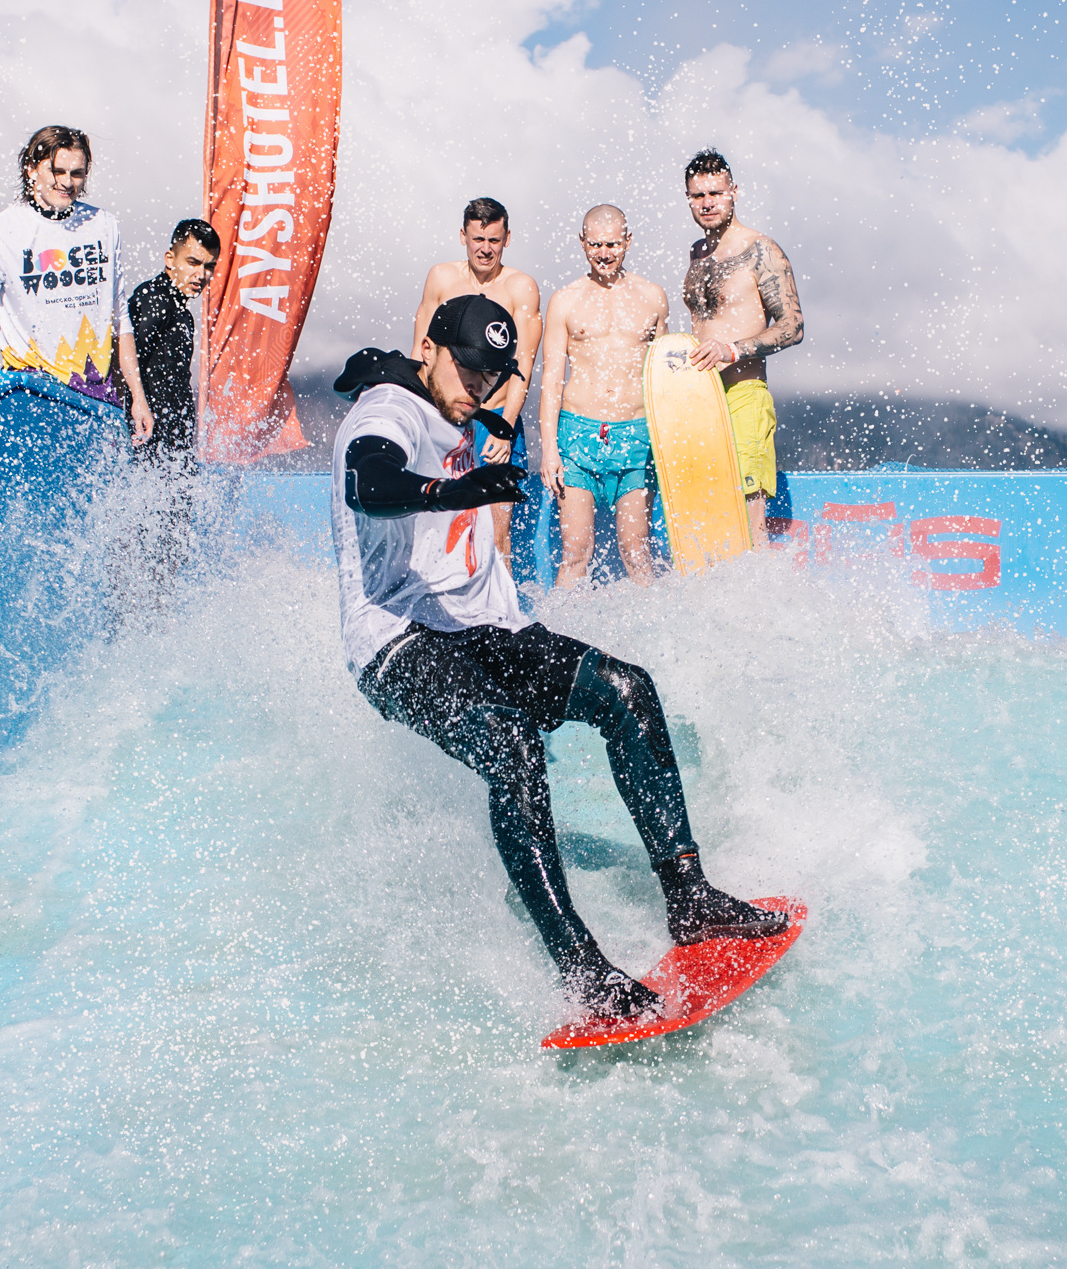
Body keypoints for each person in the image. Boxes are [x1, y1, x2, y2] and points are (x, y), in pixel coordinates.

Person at [332, 294, 787, 1019]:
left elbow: (449, 399)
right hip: (396, 641)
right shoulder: (384, 412)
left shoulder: (449, 397)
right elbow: (372, 483)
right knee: (511, 746)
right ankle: (581, 972)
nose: (479, 386)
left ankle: (689, 896)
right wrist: (459, 490)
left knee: (627, 690)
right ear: (431, 348)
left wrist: (474, 418)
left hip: (484, 623)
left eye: (491, 376)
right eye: (468, 369)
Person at [0, 125, 154, 444]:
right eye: (56, 170)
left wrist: (138, 396)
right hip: (31, 400)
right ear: (31, 169)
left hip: (99, 399)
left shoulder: (104, 225)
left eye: (77, 173)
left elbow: (120, 320)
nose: (66, 182)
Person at [679, 150, 805, 546]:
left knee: (752, 524)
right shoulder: (696, 255)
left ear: (734, 191)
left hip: (744, 395)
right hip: (701, 400)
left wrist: (732, 350)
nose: (708, 202)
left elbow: (793, 326)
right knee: (711, 518)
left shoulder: (761, 249)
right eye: (698, 196)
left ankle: (763, 604)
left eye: (715, 192)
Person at [540, 206, 670, 588]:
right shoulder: (565, 299)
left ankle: (655, 645)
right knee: (576, 552)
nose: (604, 252)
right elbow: (551, 380)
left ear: (627, 241)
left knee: (637, 552)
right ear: (582, 242)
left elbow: (663, 374)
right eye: (595, 244)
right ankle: (560, 643)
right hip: (577, 436)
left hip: (636, 436)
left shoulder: (652, 297)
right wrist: (550, 450)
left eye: (612, 243)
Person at [413, 199, 542, 566]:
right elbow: (421, 351)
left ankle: (501, 616)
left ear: (507, 239)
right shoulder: (441, 278)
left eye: (494, 240)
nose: (485, 249)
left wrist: (505, 429)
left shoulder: (521, 287)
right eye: (477, 239)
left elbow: (524, 366)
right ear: (463, 237)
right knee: (436, 523)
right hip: (444, 418)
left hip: (495, 420)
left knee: (497, 533)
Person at [127, 219, 221, 467]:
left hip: (174, 443)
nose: (201, 275)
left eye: (209, 266)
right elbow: (125, 362)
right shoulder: (153, 300)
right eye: (193, 262)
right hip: (149, 441)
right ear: (170, 259)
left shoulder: (179, 309)